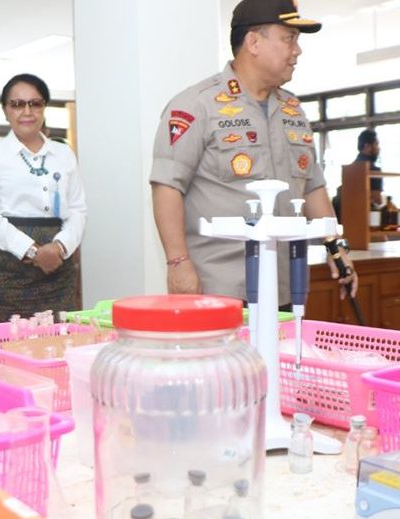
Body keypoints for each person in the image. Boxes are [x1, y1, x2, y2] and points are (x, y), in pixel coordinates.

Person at [149, 0, 358, 305]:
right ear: (254, 42)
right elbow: (167, 186)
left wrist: (336, 248)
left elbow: (312, 186)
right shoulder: (196, 106)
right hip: (221, 288)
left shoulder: (292, 109)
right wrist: (178, 264)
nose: (297, 50)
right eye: (289, 38)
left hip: (286, 285)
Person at [0, 73, 86, 321]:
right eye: (17, 104)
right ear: (5, 110)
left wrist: (59, 247)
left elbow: (77, 209)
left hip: (58, 261)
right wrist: (34, 252)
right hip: (8, 266)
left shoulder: (63, 153)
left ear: (44, 107)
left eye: (35, 103)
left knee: (61, 337)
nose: (27, 111)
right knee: (14, 343)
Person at [333, 128, 383, 220]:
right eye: (376, 144)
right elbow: (378, 201)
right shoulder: (373, 171)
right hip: (366, 220)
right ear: (367, 146)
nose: (378, 148)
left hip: (347, 221)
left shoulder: (349, 169)